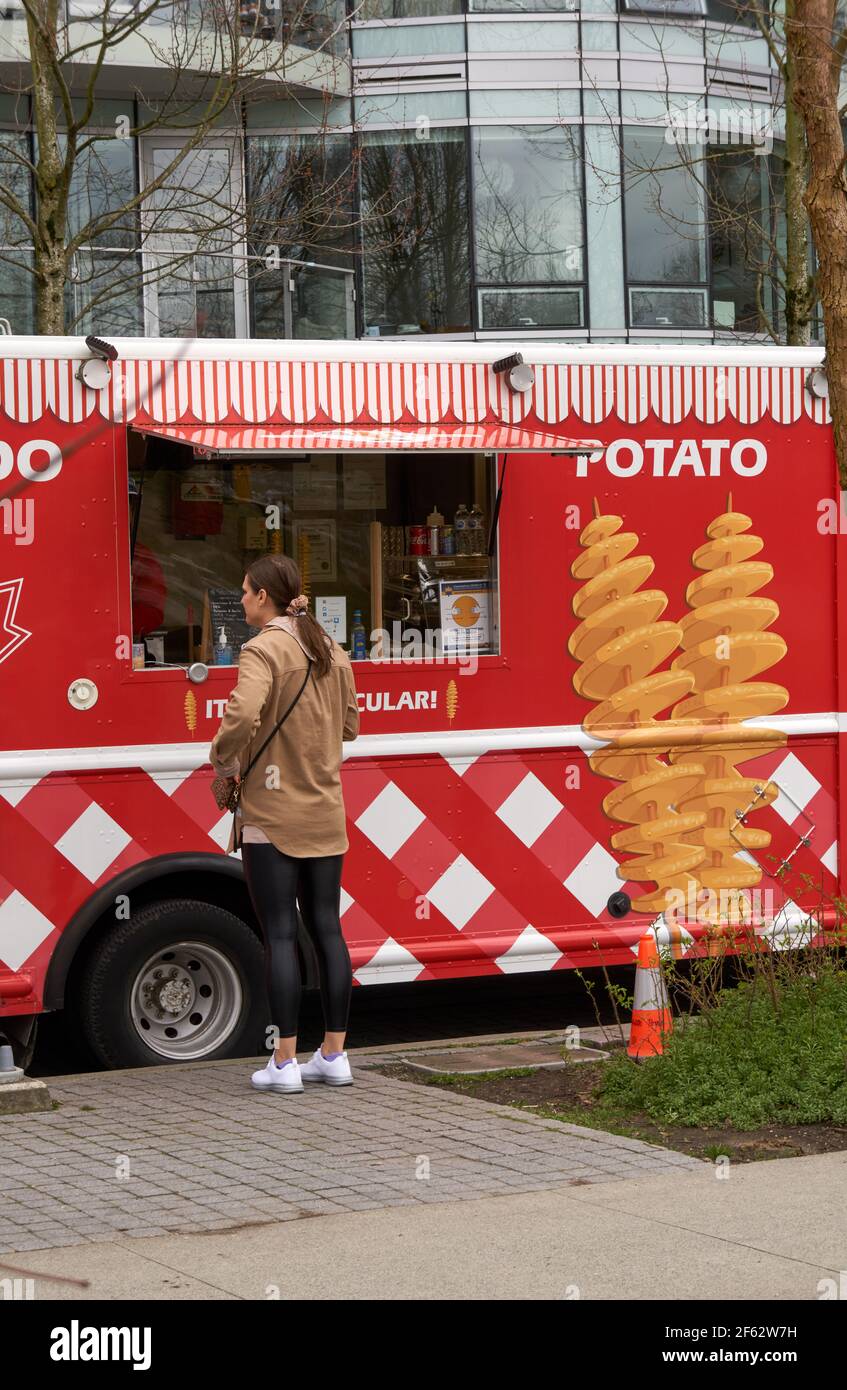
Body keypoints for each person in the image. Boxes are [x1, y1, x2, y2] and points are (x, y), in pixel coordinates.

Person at [209, 553, 360, 1095]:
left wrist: (223, 758)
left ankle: (285, 1062)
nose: (242, 598)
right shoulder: (331, 647)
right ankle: (335, 1055)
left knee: (278, 933)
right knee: (327, 929)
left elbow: (243, 715)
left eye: (245, 591)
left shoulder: (261, 649)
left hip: (272, 815)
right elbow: (351, 725)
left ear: (264, 598)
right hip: (326, 808)